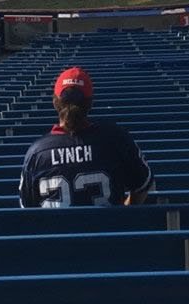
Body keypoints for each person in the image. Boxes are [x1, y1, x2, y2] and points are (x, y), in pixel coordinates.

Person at [18, 67, 152, 208]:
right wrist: (125, 213)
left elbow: (27, 207)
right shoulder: (115, 139)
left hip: (56, 230)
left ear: (55, 103)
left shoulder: (37, 153)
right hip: (110, 228)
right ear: (90, 103)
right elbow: (143, 184)